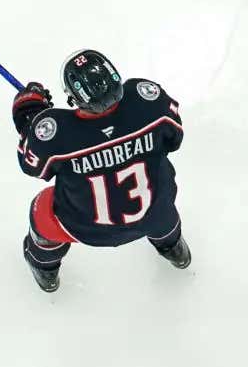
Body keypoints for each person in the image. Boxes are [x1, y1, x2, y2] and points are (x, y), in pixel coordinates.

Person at [13, 49, 189, 292]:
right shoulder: (147, 99)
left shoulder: (56, 132)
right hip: (155, 211)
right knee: (160, 204)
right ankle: (173, 248)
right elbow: (175, 138)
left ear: (74, 97)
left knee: (42, 208)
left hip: (86, 227)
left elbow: (30, 165)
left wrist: (29, 116)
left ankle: (45, 268)